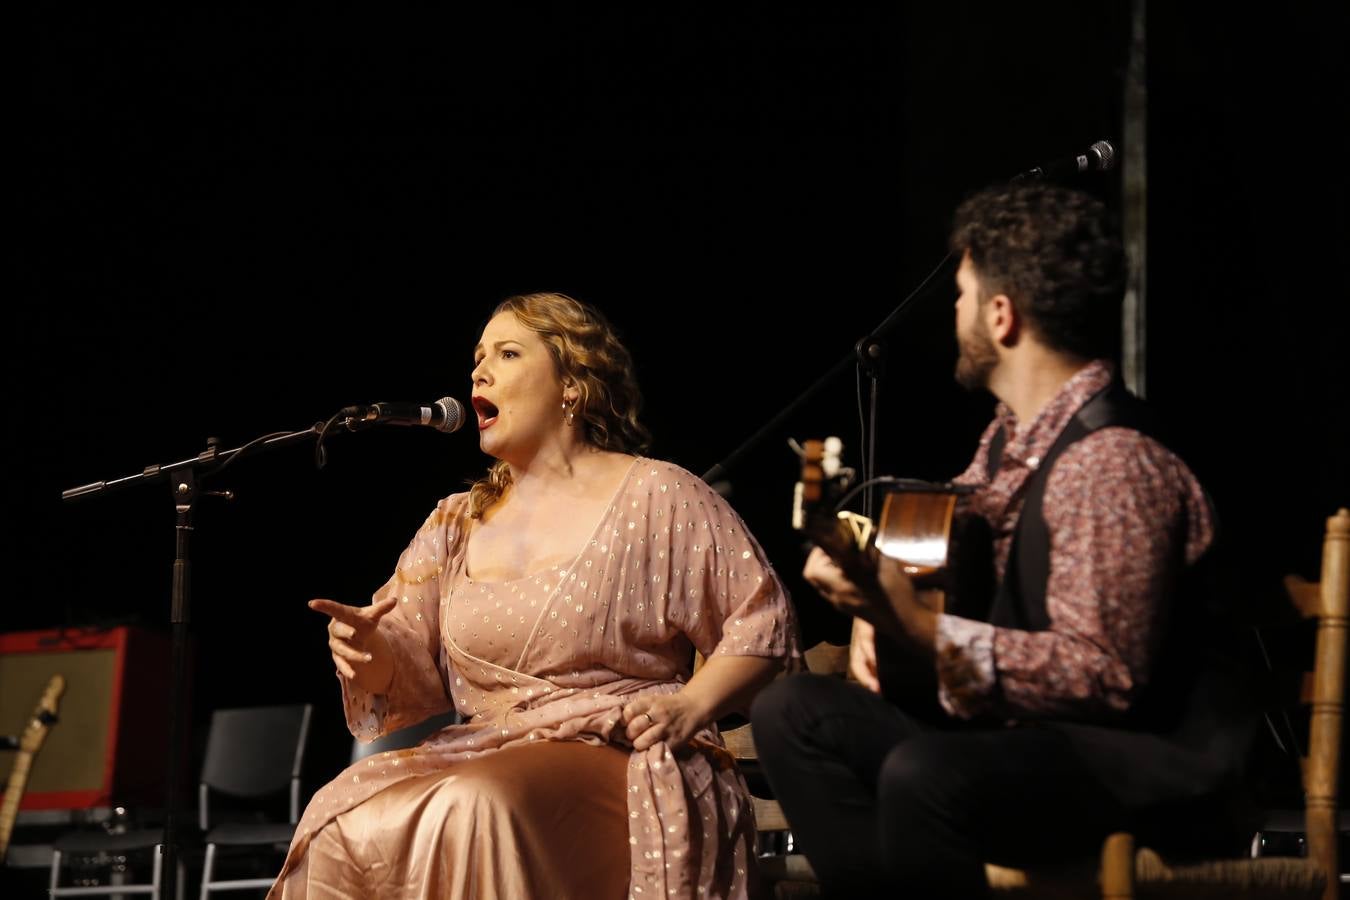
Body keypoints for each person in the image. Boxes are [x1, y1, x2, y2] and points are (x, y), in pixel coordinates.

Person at [750, 183, 1257, 897]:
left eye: (959, 297)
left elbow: (1102, 674)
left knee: (925, 777)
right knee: (795, 713)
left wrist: (923, 627)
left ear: (1000, 314)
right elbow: (940, 552)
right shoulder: (1004, 444)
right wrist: (880, 608)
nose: (951, 316)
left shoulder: (1112, 463)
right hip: (1029, 750)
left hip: (1156, 768)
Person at [270, 292, 800, 899]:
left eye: (508, 352)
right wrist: (367, 649)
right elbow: (406, 661)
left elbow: (763, 630)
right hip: (482, 753)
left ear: (572, 383)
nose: (479, 370)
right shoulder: (455, 523)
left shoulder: (657, 495)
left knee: (476, 804)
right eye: (477, 357)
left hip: (624, 752)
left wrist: (692, 705)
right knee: (343, 824)